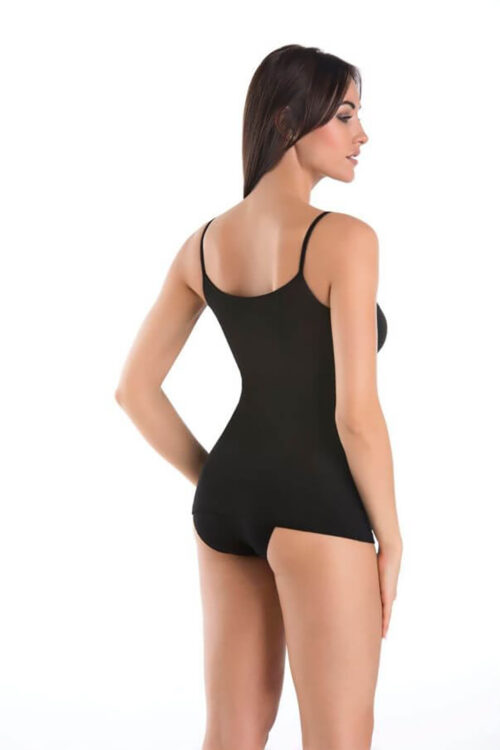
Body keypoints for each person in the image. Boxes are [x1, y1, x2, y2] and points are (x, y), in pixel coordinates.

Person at [116, 43, 403, 750]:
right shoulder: (347, 240)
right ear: (286, 121)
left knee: (231, 735)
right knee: (339, 739)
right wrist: (391, 538)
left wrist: (221, 479)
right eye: (345, 115)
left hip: (227, 503)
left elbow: (135, 390)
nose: (362, 134)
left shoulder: (203, 245)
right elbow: (355, 417)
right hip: (318, 503)